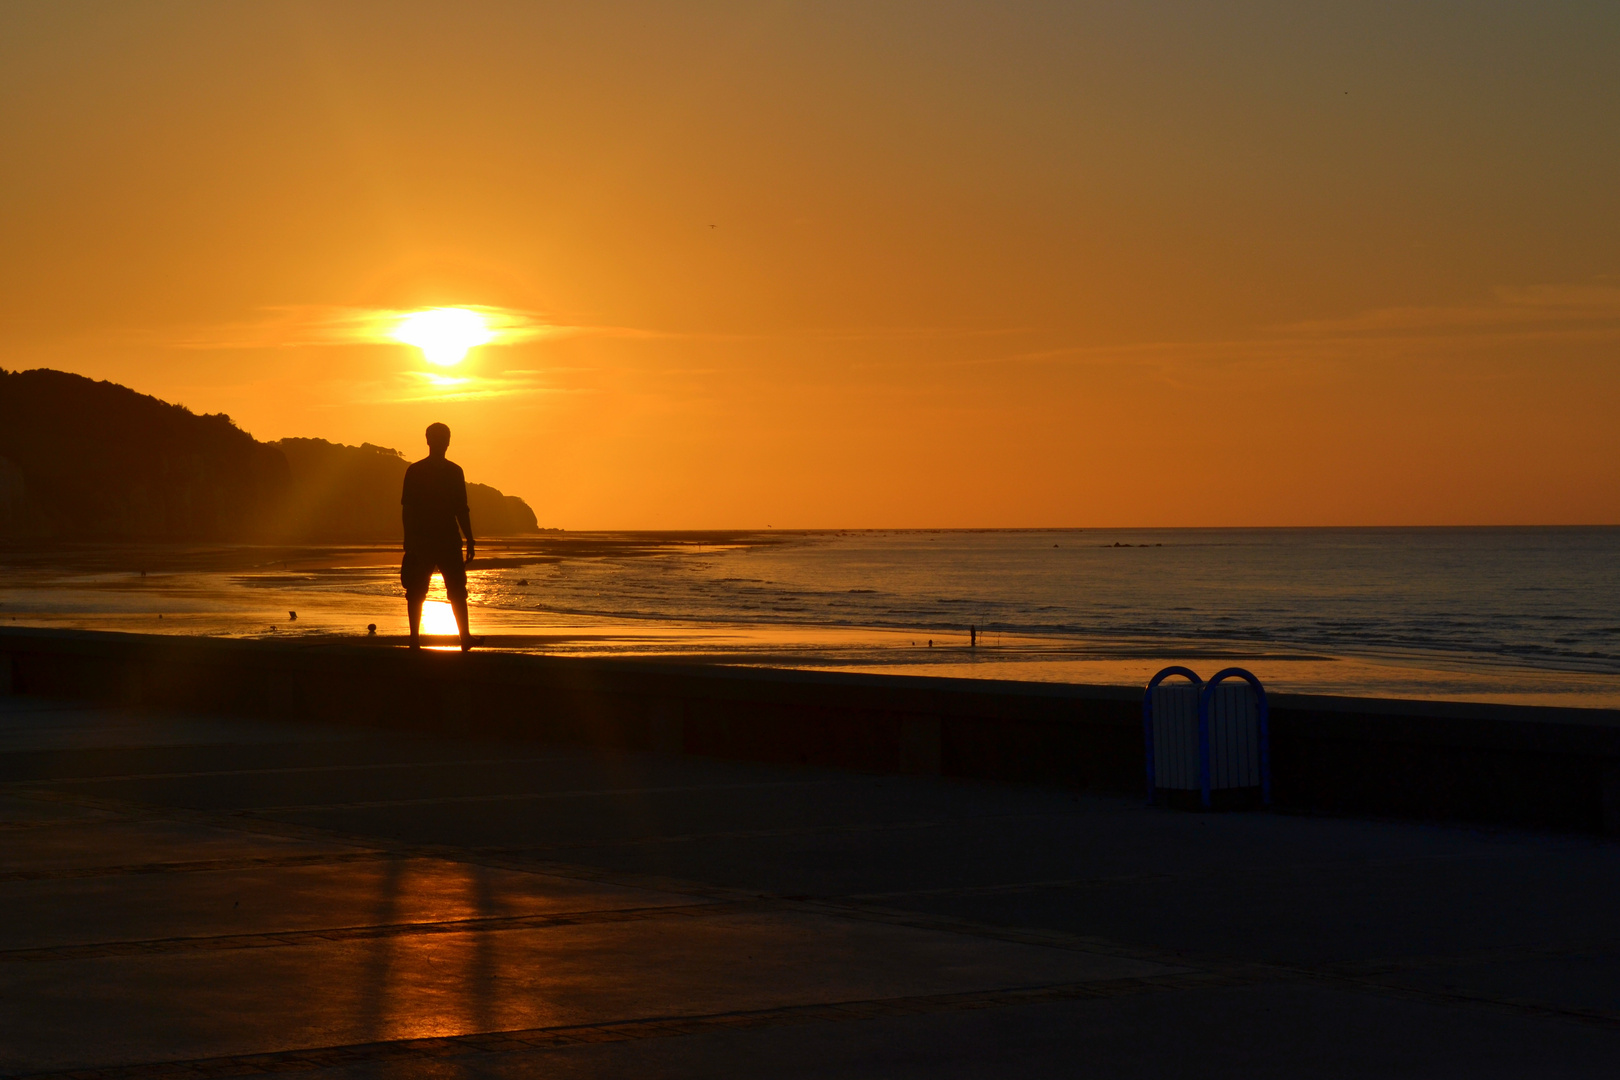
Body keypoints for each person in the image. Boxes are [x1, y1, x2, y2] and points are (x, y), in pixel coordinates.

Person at [401, 422, 476, 650]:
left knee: (431, 590)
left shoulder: (425, 471)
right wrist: (469, 539)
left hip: (437, 539)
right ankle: (456, 638)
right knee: (434, 590)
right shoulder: (437, 471)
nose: (442, 443)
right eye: (441, 438)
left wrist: (469, 538)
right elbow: (460, 509)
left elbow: (460, 508)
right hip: (436, 539)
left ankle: (421, 639)